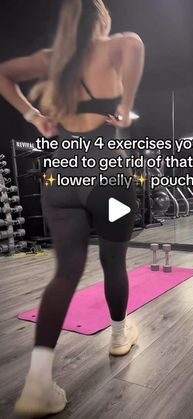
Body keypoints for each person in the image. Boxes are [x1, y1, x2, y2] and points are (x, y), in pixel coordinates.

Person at [0, 0, 145, 416]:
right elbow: (134, 47)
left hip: (58, 180)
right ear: (101, 17)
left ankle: (37, 384)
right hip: (110, 181)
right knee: (114, 261)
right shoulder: (119, 45)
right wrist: (125, 104)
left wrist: (33, 115)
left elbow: (4, 74)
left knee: (65, 273)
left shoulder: (51, 61)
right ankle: (119, 336)